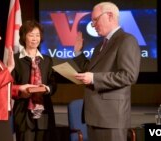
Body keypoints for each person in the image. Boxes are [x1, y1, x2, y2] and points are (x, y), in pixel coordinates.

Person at [73, 2, 141, 141]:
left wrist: (93, 79)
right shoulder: (100, 45)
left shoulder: (126, 40)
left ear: (110, 15)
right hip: (94, 116)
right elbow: (91, 70)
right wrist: (78, 52)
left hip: (111, 118)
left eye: (95, 20)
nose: (93, 25)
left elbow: (129, 76)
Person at [11, 20, 57, 141]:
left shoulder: (47, 60)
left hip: (44, 111)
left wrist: (46, 88)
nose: (35, 38)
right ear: (23, 37)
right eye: (31, 35)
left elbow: (53, 84)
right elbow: (10, 86)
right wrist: (21, 92)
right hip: (23, 111)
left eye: (37, 35)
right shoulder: (15, 60)